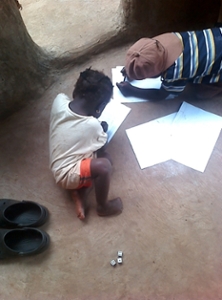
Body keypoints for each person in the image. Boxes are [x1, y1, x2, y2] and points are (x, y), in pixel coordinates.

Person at [49, 68, 123, 220]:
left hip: (59, 161)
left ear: (76, 92)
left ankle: (79, 192)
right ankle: (103, 206)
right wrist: (102, 130)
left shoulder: (59, 100)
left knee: (98, 159)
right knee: (105, 164)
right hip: (66, 175)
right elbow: (102, 146)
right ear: (100, 107)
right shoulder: (91, 125)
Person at [117, 24, 222, 101]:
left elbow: (162, 95)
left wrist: (132, 91)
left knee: (201, 93)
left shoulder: (174, 72)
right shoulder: (171, 39)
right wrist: (131, 68)